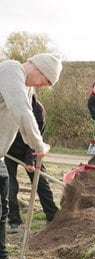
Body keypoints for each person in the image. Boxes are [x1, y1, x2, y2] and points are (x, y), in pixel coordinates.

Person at [0, 53, 62, 259]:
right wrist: (39, 144)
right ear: (39, 69)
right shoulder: (10, 70)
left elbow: (28, 120)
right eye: (46, 81)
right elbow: (21, 112)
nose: (44, 87)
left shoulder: (27, 88)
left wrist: (33, 148)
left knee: (3, 210)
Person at [5, 93, 59, 233]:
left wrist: (30, 160)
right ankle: (14, 221)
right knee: (10, 187)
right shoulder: (9, 106)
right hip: (9, 151)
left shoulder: (38, 110)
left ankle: (52, 216)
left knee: (41, 182)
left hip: (31, 149)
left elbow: (37, 135)